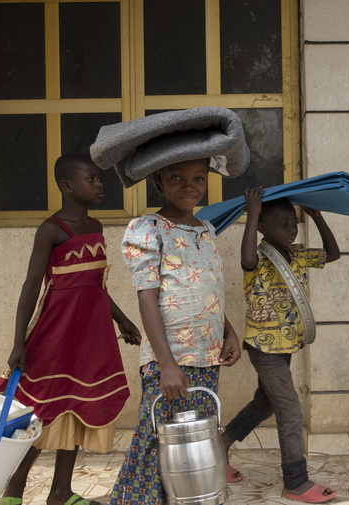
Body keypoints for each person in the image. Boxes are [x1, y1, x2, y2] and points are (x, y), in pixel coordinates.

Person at [0, 153, 142, 505]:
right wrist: (19, 342)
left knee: (78, 408)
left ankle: (60, 492)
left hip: (89, 337)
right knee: (42, 413)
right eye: (91, 178)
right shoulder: (51, 230)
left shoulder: (96, 227)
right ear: (66, 186)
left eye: (99, 178)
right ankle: (14, 487)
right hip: (55, 335)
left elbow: (95, 287)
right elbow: (31, 286)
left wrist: (121, 319)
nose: (99, 183)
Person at [108, 158, 242, 505]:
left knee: (191, 441)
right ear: (158, 179)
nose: (189, 186)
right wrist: (167, 365)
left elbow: (208, 290)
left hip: (206, 355)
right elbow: (147, 300)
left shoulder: (206, 230)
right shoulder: (148, 229)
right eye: (176, 178)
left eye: (198, 178)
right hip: (170, 359)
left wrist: (229, 331)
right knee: (155, 439)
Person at [219, 187, 340, 503]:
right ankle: (296, 482)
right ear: (262, 228)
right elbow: (245, 257)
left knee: (266, 403)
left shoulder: (298, 253)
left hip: (286, 345)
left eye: (294, 223)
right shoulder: (258, 257)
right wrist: (252, 213)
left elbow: (333, 253)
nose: (291, 229)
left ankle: (219, 447)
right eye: (283, 224)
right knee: (289, 409)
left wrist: (317, 216)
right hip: (263, 346)